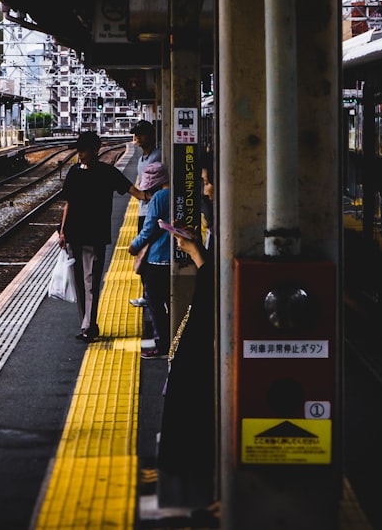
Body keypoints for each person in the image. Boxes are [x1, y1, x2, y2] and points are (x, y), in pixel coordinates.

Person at [156, 162, 217, 511]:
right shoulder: (222, 220)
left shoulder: (230, 224)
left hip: (207, 332)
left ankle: (198, 484)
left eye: (209, 183)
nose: (205, 190)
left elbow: (216, 279)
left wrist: (194, 252)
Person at [58, 130, 146, 342]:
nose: (81, 154)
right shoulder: (73, 173)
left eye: (84, 150)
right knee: (79, 282)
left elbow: (134, 191)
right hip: (74, 236)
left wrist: (156, 196)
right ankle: (86, 323)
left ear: (95, 150)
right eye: (79, 150)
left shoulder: (107, 172)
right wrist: (62, 232)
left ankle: (89, 325)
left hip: (95, 237)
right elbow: (67, 203)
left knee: (91, 282)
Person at [127, 161, 171, 359]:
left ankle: (162, 344)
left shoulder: (159, 198)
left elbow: (149, 228)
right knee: (172, 302)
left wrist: (134, 245)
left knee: (155, 304)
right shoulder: (178, 193)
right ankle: (173, 341)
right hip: (177, 257)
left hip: (158, 259)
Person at [130, 120, 161, 308]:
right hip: (143, 211)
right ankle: (147, 294)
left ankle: (150, 295)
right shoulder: (142, 158)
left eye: (142, 134)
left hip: (154, 211)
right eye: (136, 134)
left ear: (151, 135)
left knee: (150, 253)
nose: (138, 137)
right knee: (143, 254)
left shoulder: (158, 156)